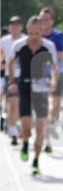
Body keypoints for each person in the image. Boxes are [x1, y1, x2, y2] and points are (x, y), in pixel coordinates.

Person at [8, 16, 57, 175]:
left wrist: (54, 82)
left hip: (41, 86)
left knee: (41, 126)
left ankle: (36, 161)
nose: (33, 37)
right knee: (27, 127)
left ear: (42, 31)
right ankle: (25, 142)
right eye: (30, 33)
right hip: (25, 85)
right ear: (27, 31)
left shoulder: (49, 46)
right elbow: (10, 63)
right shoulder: (19, 45)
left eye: (36, 33)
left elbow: (55, 68)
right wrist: (12, 81)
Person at [39, 6, 63, 150]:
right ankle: (46, 138)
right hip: (38, 74)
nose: (43, 22)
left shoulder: (59, 35)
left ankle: (50, 128)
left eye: (46, 19)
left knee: (55, 105)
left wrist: (52, 53)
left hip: (56, 73)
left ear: (52, 21)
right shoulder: (35, 34)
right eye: (41, 19)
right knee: (44, 106)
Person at [1, 16, 24, 145]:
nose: (14, 27)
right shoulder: (4, 41)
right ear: (9, 27)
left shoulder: (26, 39)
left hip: (24, 76)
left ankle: (13, 126)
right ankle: (13, 130)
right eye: (12, 24)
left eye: (17, 24)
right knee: (12, 103)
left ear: (21, 26)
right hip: (9, 76)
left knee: (19, 105)